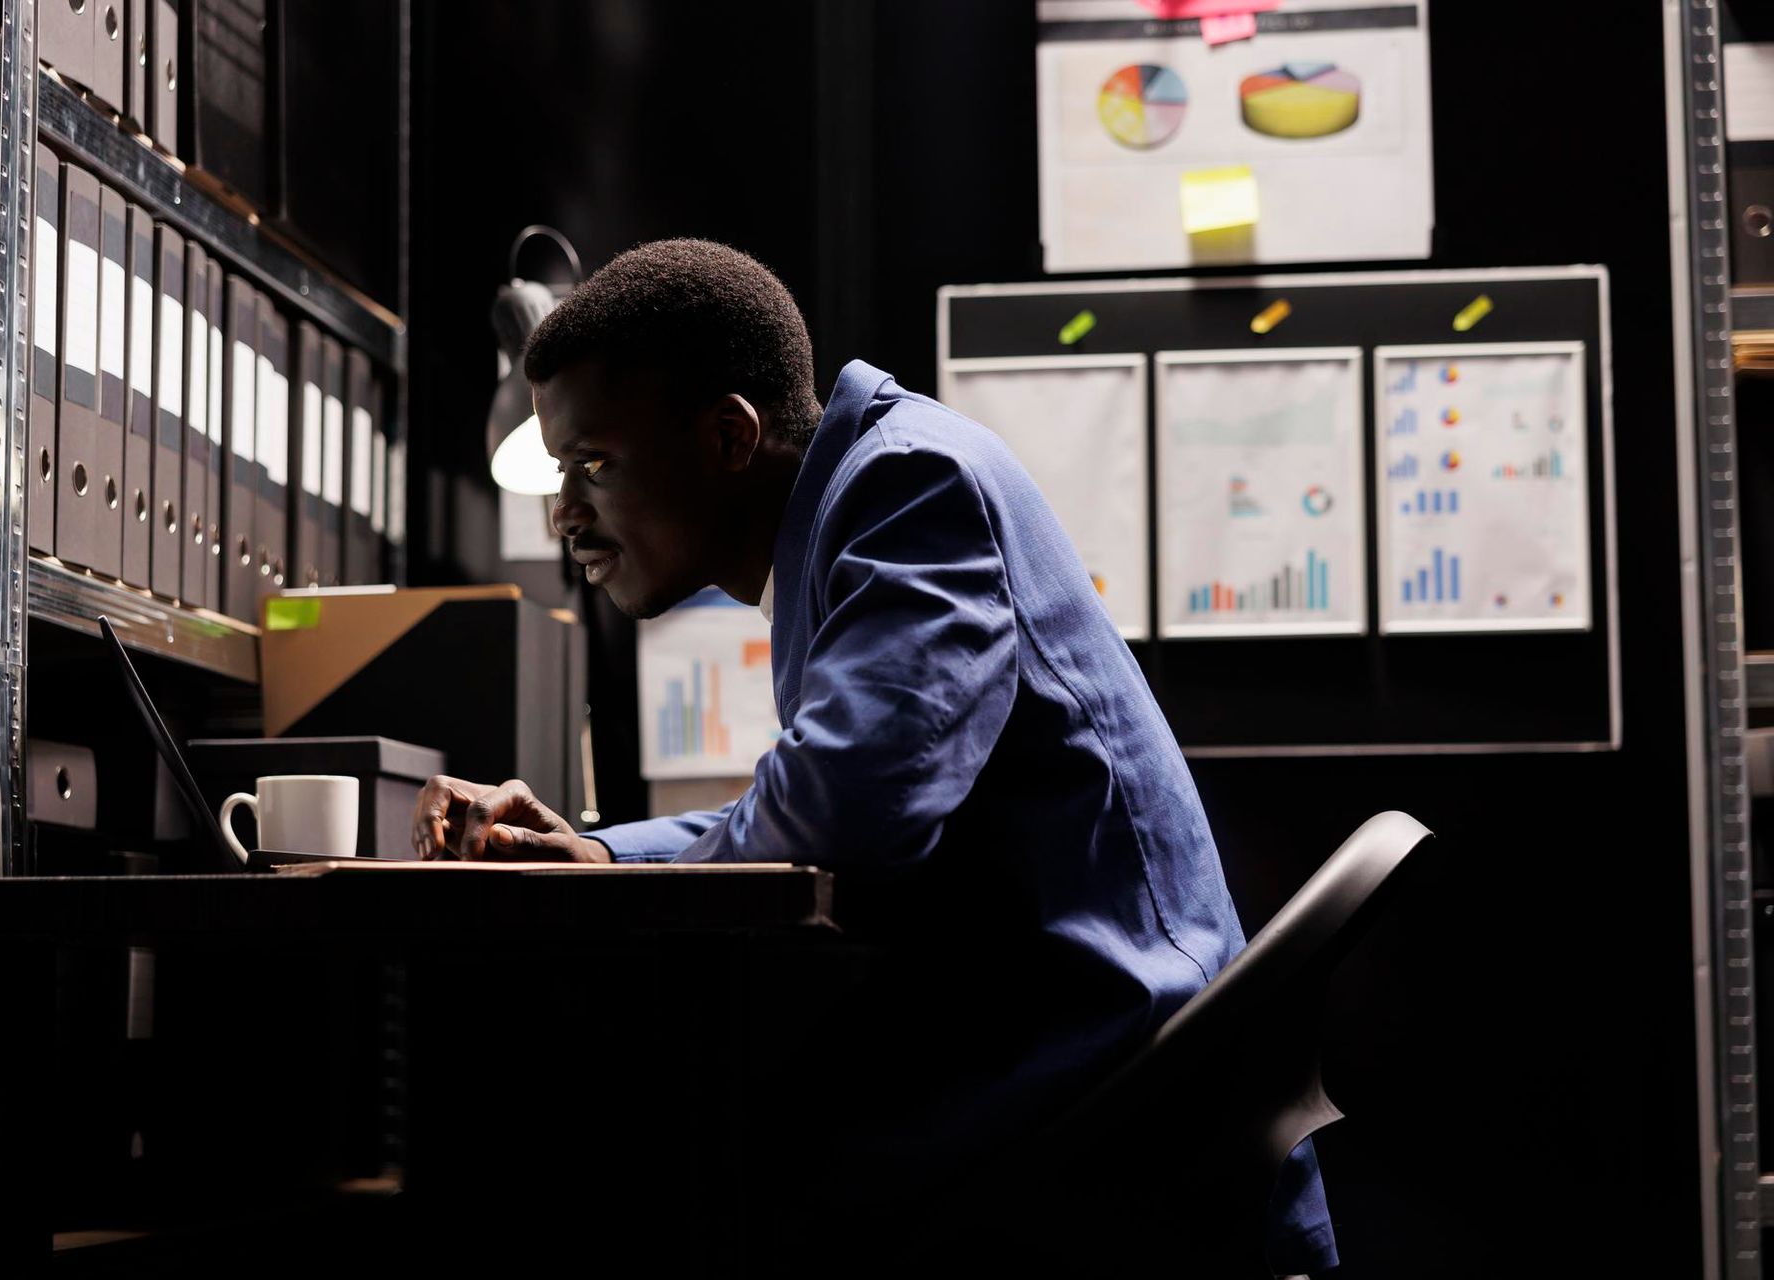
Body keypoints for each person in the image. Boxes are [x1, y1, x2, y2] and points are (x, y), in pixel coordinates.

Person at [412, 238, 1335, 1275]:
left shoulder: (910, 484)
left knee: (630, 1172)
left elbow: (843, 803)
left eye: (592, 464)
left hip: (1115, 1094)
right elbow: (818, 785)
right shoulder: (862, 495)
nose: (563, 512)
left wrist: (623, 863)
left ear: (727, 435)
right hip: (1068, 1057)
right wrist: (603, 852)